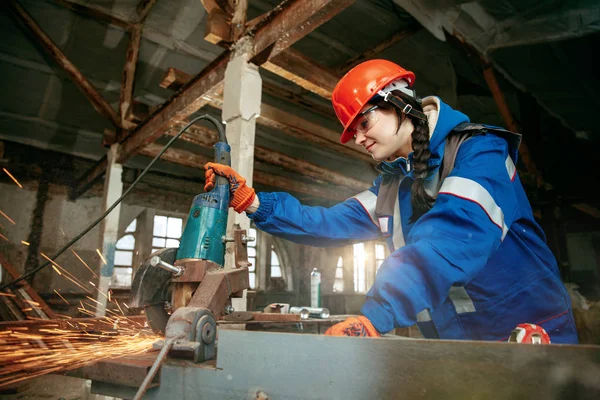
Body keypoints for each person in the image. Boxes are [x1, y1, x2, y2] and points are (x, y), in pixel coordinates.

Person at [204, 59, 578, 343]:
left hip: (526, 333)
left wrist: (377, 315)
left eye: (363, 124)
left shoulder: (479, 153)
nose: (358, 139)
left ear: (400, 103)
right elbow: (327, 223)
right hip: (455, 342)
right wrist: (254, 202)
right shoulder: (393, 187)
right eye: (352, 134)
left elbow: (449, 237)